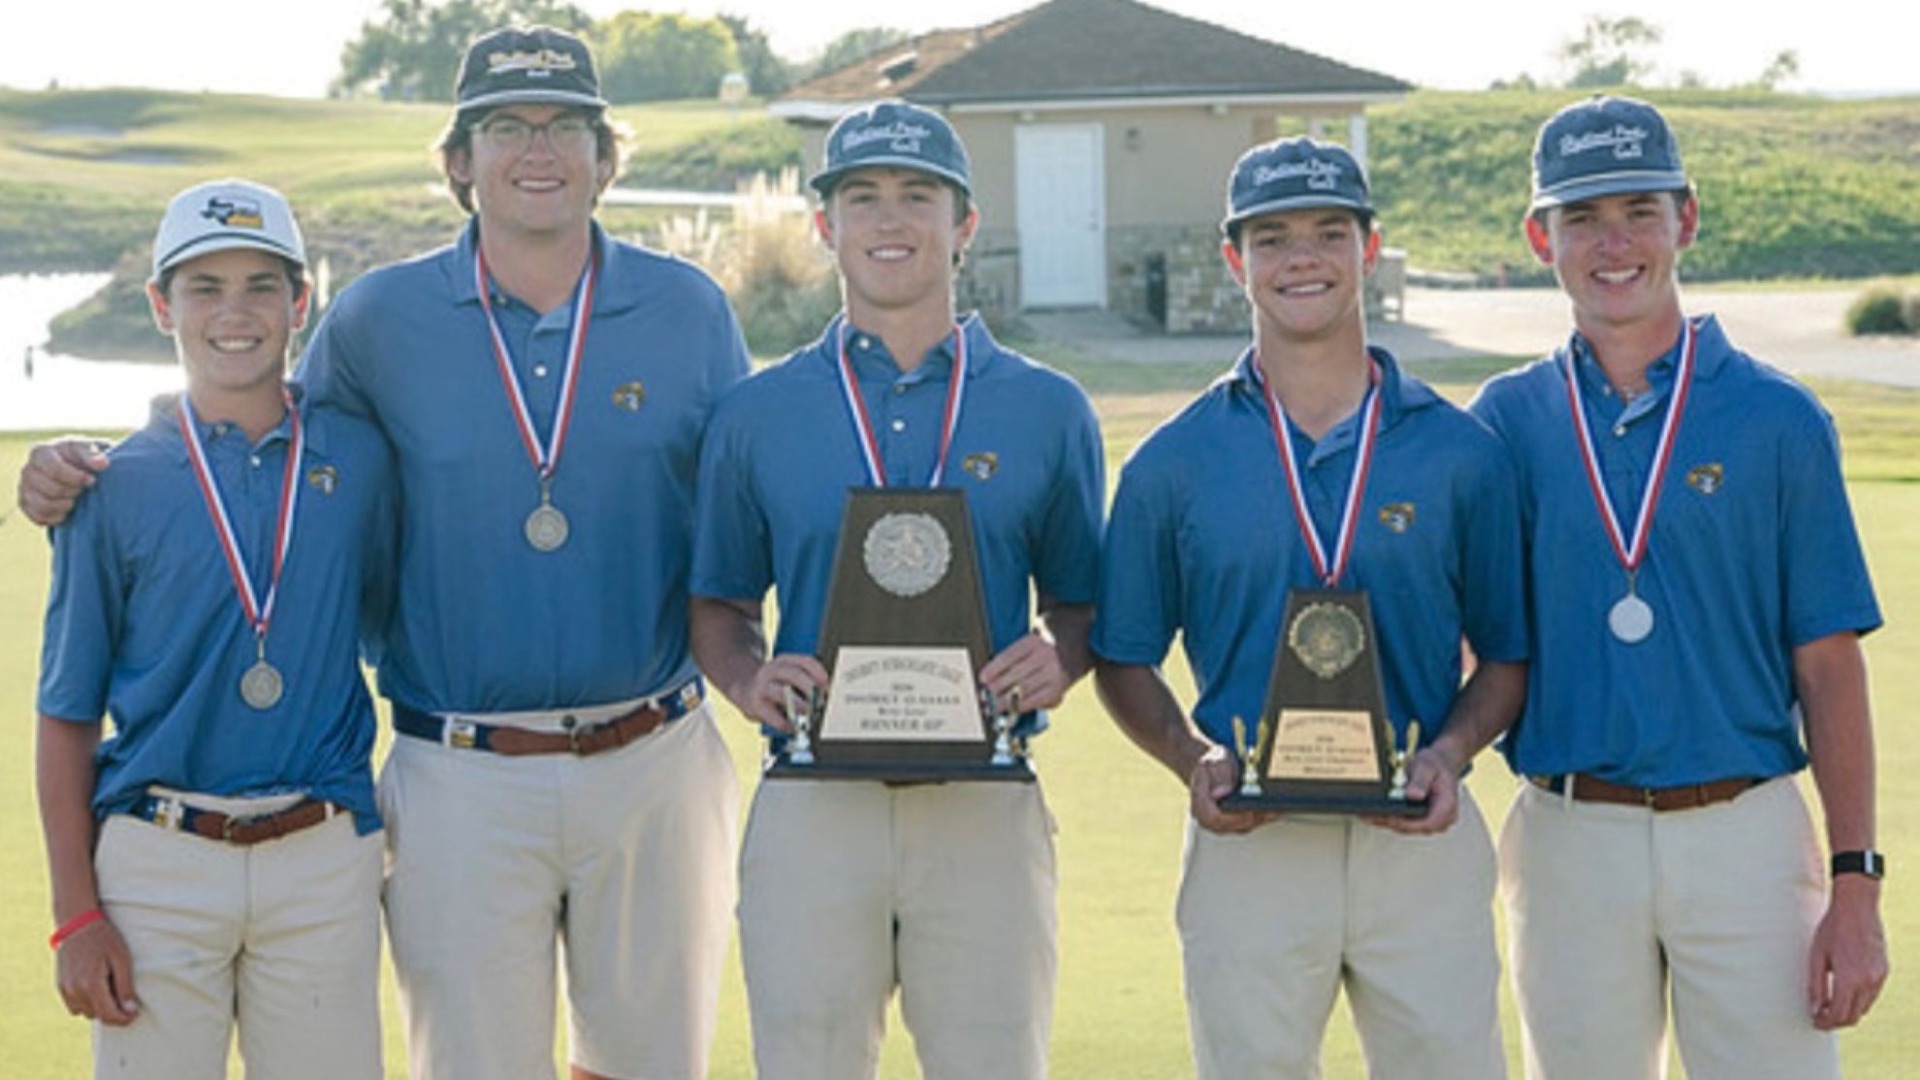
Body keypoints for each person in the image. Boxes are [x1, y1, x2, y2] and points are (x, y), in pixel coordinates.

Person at [21, 25, 750, 1080]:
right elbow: (254, 438)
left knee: (649, 1065)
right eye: (505, 126)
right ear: (460, 161)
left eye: (565, 127)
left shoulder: (690, 310)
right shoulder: (375, 319)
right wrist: (89, 463)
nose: (535, 150)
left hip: (657, 755)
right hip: (459, 769)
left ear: (604, 157)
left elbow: (743, 515)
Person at [1469, 95, 1888, 1080]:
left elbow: (1828, 670)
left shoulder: (1779, 419)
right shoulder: (1502, 421)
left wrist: (1856, 884)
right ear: (1542, 237)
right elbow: (1469, 639)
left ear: (1685, 220)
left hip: (1743, 834)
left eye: (1638, 212)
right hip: (1570, 835)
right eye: (1581, 218)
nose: (1613, 244)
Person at [1090, 137, 1528, 1080]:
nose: (1303, 259)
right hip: (1250, 840)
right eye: (1273, 237)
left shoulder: (1461, 453)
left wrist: (1449, 755)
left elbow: (1506, 656)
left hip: (1419, 834)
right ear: (1234, 258)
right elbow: (1125, 656)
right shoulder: (1173, 462)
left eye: (1330, 232)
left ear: (1369, 250)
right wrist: (1190, 758)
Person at [688, 99, 1104, 1080]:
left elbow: (1082, 606)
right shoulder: (757, 411)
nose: (890, 219)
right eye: (862, 197)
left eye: (919, 195)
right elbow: (719, 603)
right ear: (824, 226)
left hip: (986, 797)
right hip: (811, 799)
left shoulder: (1049, 408)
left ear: (964, 225)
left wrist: (1061, 658)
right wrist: (749, 681)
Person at [36, 179, 394, 1080]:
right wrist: (76, 914)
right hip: (158, 865)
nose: (234, 313)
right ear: (161, 306)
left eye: (261, 286)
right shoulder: (109, 485)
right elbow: (67, 712)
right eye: (205, 288)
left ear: (300, 302)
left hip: (322, 857)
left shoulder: (358, 456)